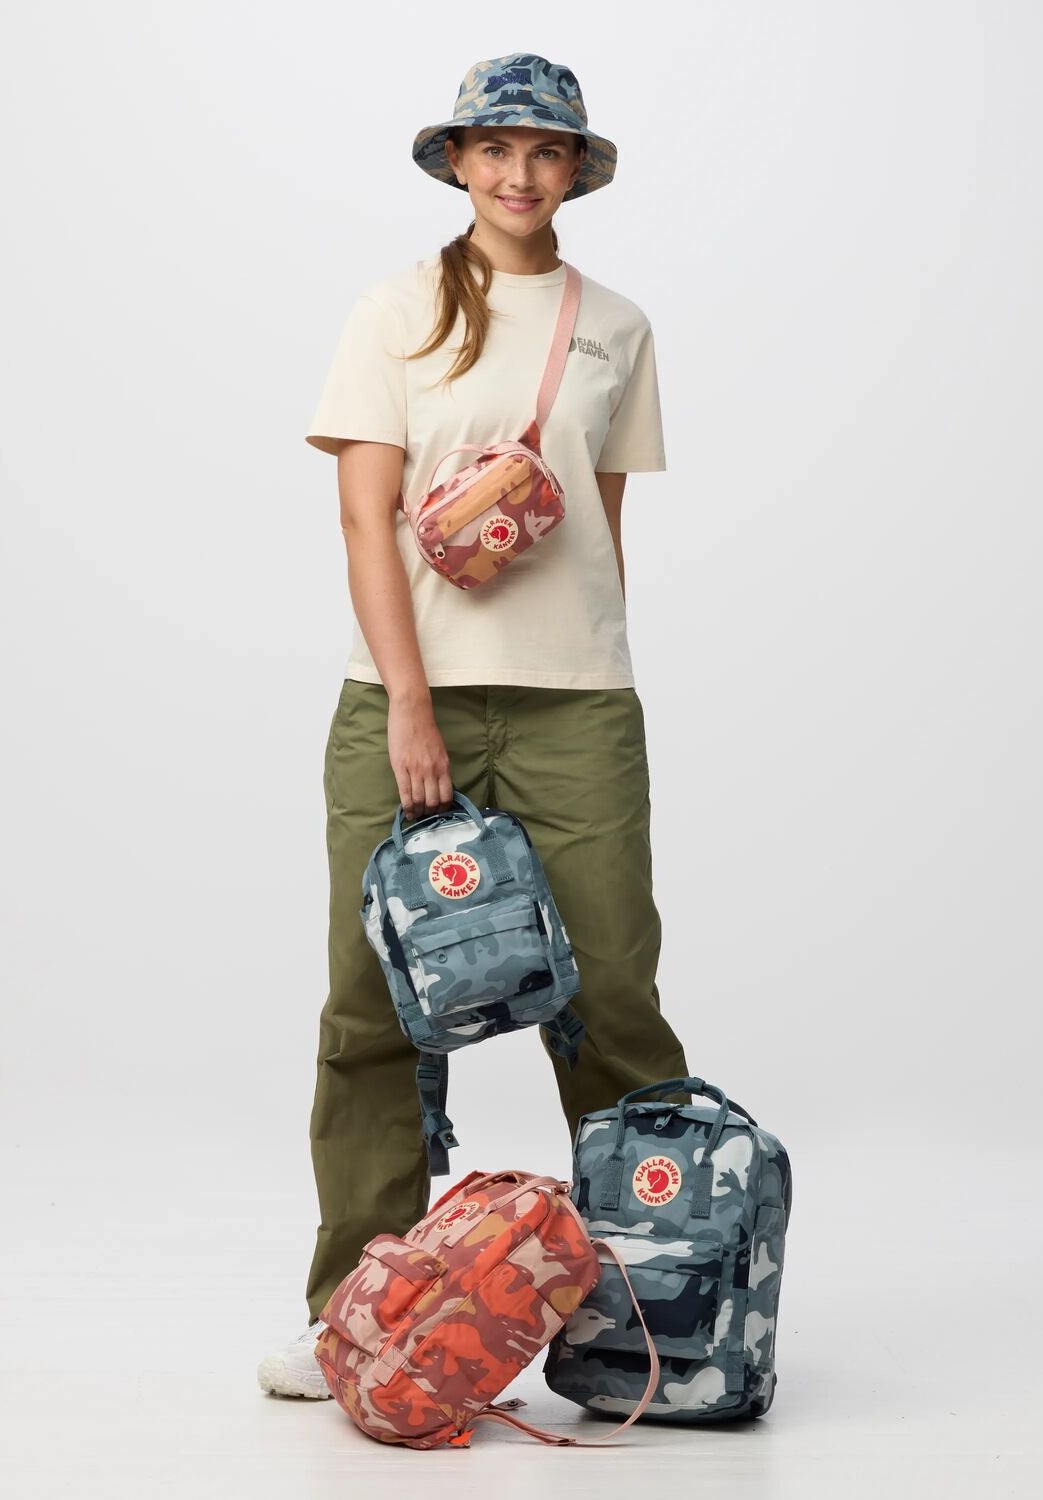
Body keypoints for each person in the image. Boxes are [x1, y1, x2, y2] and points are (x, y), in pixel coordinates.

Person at [258, 53, 691, 1400]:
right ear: (456, 162)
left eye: (545, 150)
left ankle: (651, 1323)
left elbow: (602, 529)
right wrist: (410, 703)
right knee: (374, 1003)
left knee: (612, 1000)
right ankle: (355, 1317)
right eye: (494, 148)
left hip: (578, 706)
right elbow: (364, 521)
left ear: (575, 170)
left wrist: (591, 667)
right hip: (406, 699)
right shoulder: (395, 311)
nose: (518, 172)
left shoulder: (617, 327)